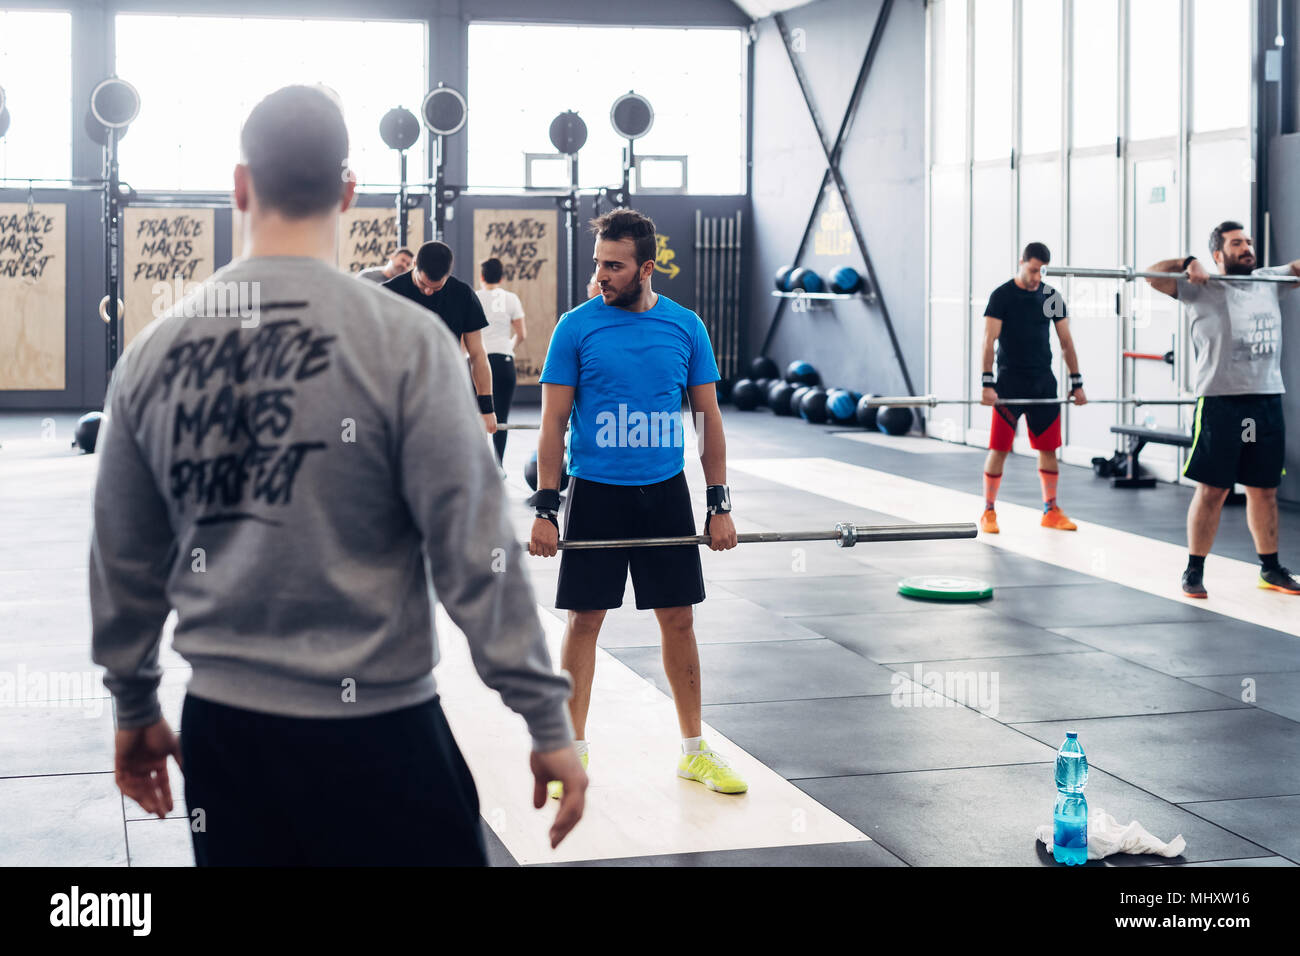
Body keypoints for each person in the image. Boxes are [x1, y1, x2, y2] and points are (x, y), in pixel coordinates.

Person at [88, 84, 585, 866]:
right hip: (384, 736)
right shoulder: (408, 342)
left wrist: (134, 703)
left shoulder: (154, 354)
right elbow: (477, 556)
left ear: (240, 186)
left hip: (229, 739)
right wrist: (546, 722)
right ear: (348, 192)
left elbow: (122, 558)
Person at [528, 209, 746, 798]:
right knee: (584, 621)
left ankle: (694, 752)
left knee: (678, 618)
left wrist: (718, 503)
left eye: (614, 265)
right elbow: (552, 425)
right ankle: (571, 753)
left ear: (646, 268)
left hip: (665, 493)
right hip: (596, 491)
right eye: (599, 262)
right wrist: (547, 508)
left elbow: (708, 419)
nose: (601, 274)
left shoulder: (686, 327)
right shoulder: (575, 327)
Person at [1145, 221, 1300, 598]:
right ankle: (1194, 570)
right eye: (1236, 243)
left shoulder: (1269, 279)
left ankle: (1270, 568)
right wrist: (1188, 261)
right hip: (1221, 401)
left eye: (1248, 241)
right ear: (1218, 255)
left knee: (1263, 489)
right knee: (1213, 489)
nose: (1246, 247)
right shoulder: (1200, 287)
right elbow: (1151, 275)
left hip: (1265, 398)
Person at [978, 241, 1086, 534]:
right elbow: (989, 342)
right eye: (1033, 270)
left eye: (1042, 272)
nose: (1037, 277)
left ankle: (1050, 510)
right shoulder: (1001, 296)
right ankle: (988, 511)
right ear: (1021, 261)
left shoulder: (1050, 295)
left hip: (1042, 384)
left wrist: (1077, 383)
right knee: (999, 448)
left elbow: (1066, 342)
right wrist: (987, 383)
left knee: (1048, 449)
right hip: (1009, 383)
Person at [383, 241, 498, 435]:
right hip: (400, 393)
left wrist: (486, 408)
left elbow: (478, 355)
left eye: (435, 288)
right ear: (414, 264)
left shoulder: (462, 295)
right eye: (423, 284)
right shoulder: (388, 293)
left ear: (447, 275)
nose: (428, 292)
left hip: (446, 391)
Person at [475, 257, 526, 470]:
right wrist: (508, 348)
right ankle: (499, 468)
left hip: (478, 362)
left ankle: (478, 470)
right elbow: (522, 334)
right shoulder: (511, 298)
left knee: (477, 417)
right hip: (503, 361)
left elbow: (463, 338)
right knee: (500, 418)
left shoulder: (474, 297)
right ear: (502, 278)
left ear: (481, 277)